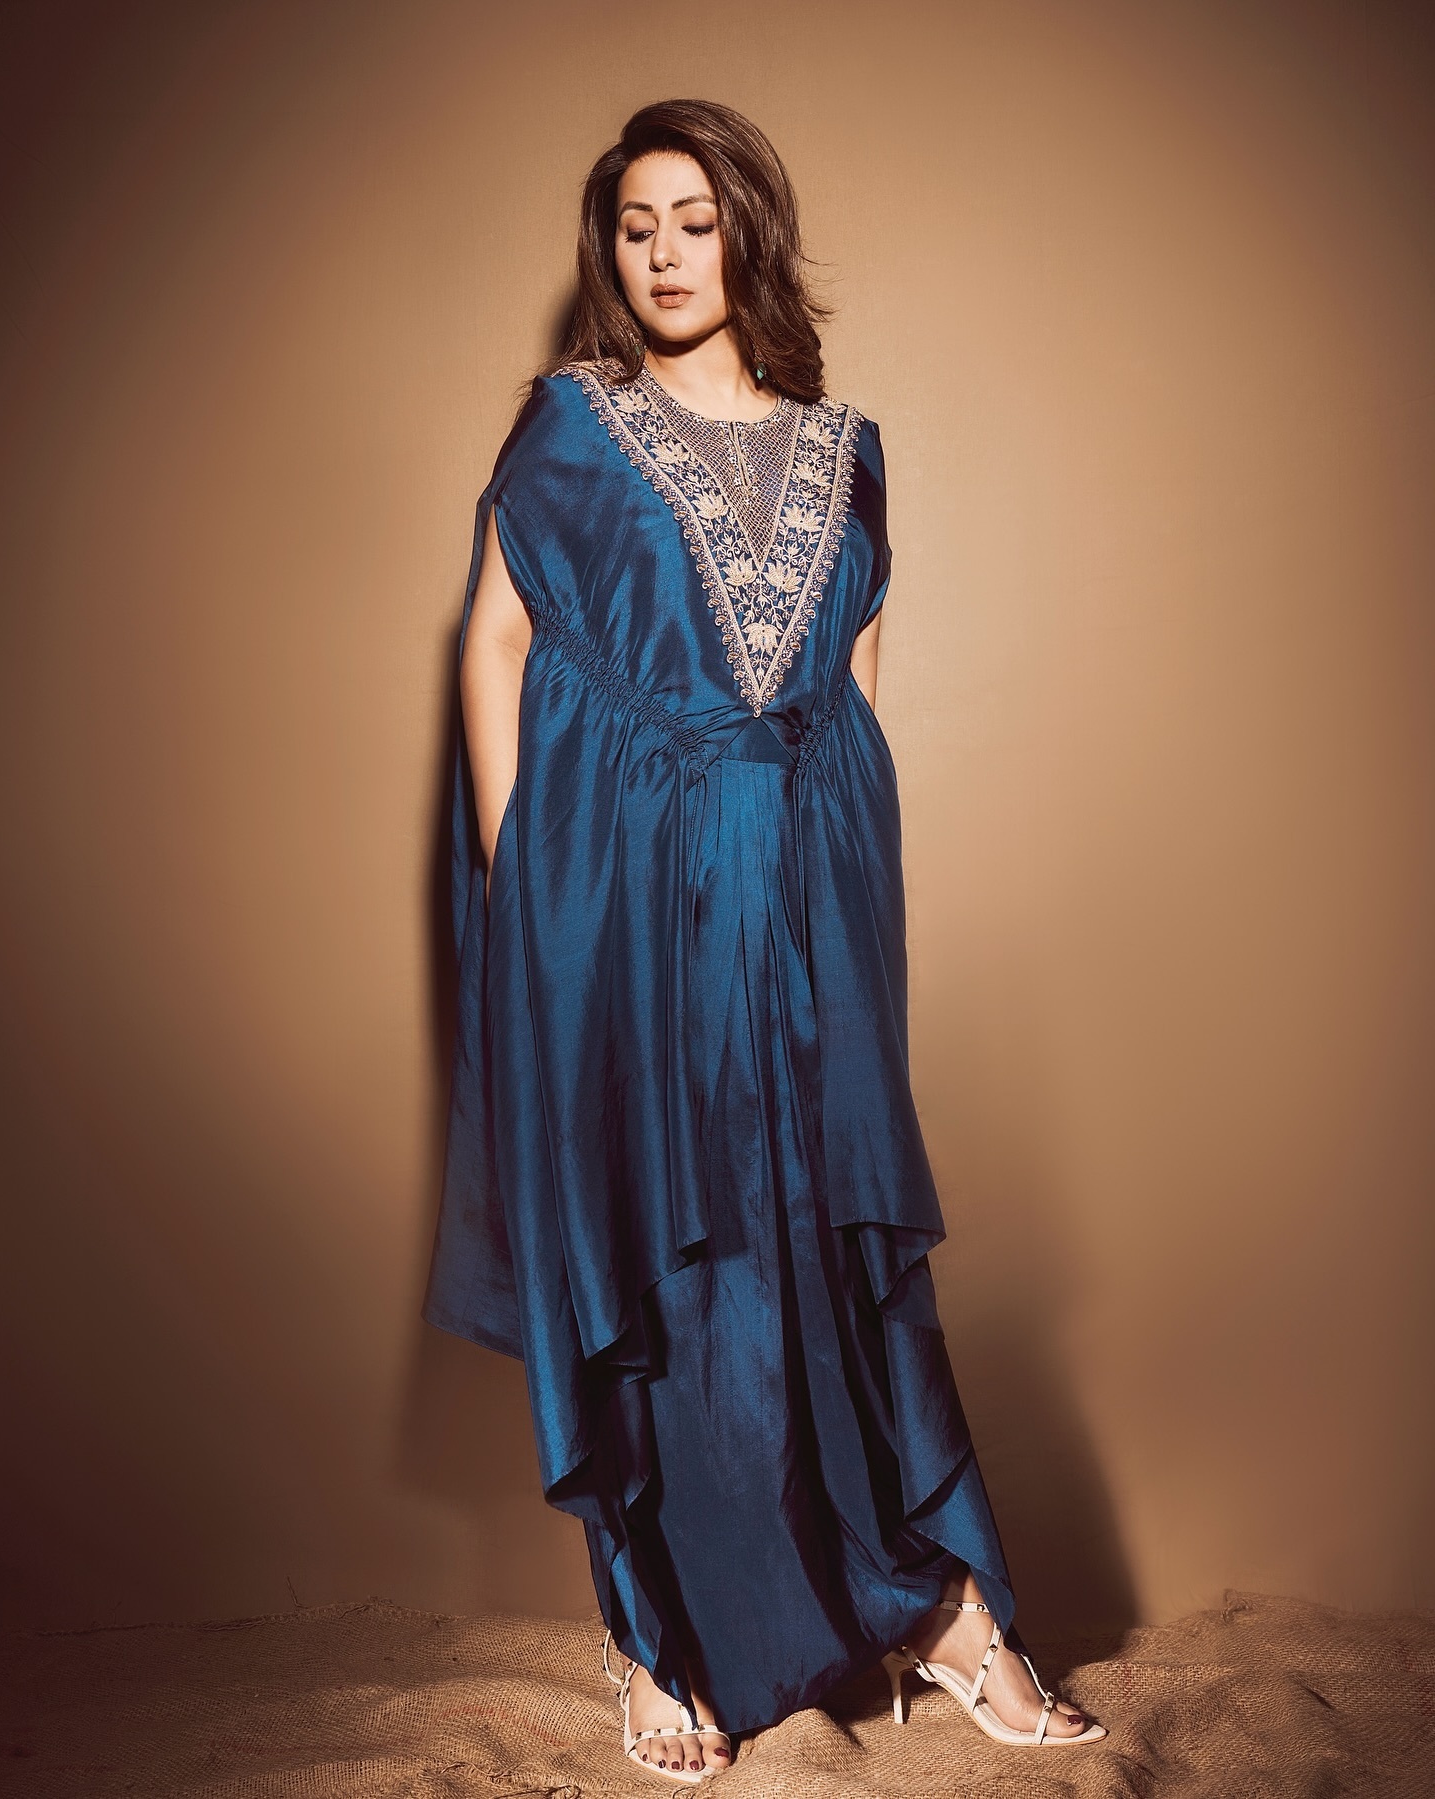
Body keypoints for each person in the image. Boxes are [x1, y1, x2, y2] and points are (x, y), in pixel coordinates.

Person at [423, 98, 1105, 1780]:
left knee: (821, 1241)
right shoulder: (571, 426)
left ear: (748, 232)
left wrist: (844, 903)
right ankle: (657, 1639)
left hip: (803, 893)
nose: (664, 254)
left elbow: (851, 692)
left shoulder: (846, 447)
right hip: (616, 899)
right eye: (634, 226)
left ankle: (941, 1612)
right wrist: (522, 881)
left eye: (694, 220)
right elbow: (495, 638)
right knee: (661, 1258)